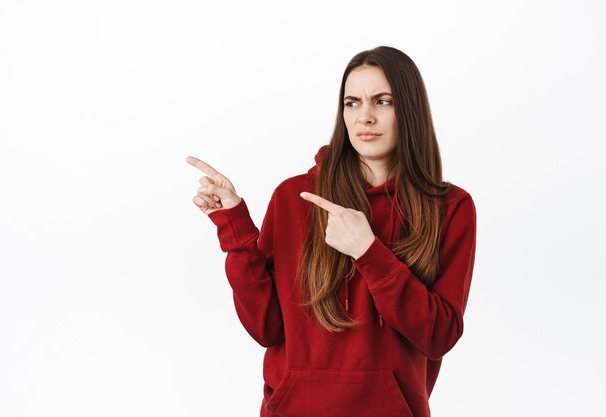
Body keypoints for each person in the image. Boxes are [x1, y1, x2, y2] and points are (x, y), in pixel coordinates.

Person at [186, 45, 477, 417]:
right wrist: (235, 228)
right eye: (352, 103)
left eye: (383, 101)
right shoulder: (295, 196)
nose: (365, 117)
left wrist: (369, 252)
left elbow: (438, 336)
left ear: (410, 110)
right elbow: (267, 329)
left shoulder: (450, 207)